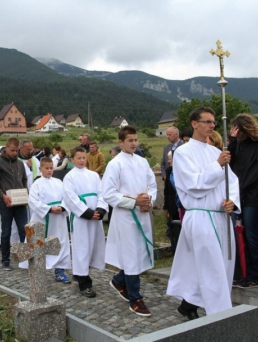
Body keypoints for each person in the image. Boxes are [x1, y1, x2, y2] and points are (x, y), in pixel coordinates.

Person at [166, 107, 240, 319]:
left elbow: (232, 181)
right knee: (212, 268)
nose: (211, 126)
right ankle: (221, 316)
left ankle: (189, 305)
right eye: (206, 121)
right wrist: (217, 166)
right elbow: (194, 185)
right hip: (201, 216)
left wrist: (231, 201)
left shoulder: (216, 152)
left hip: (221, 216)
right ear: (194, 124)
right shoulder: (182, 153)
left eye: (213, 122)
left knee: (223, 265)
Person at [103, 125, 157, 316]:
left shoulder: (142, 162)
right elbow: (108, 194)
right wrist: (134, 202)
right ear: (121, 142)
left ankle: (119, 280)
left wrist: (148, 201)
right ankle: (135, 298)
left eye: (136, 140)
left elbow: (152, 185)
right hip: (126, 217)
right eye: (130, 141)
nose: (134, 144)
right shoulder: (115, 164)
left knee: (139, 253)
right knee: (131, 255)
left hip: (142, 214)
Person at [228, 114, 258, 288]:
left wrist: (239, 189)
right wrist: (232, 139)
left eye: (235, 128)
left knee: (251, 234)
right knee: (238, 236)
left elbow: (257, 173)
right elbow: (229, 162)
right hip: (239, 196)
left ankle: (255, 274)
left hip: (253, 197)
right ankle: (242, 272)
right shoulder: (237, 145)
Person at [63, 146, 108, 298]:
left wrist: (101, 210)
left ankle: (81, 271)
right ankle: (84, 283)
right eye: (79, 158)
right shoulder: (69, 177)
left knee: (94, 246)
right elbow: (70, 198)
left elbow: (102, 193)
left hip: (95, 217)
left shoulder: (94, 175)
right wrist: (87, 212)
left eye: (84, 157)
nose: (82, 160)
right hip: (82, 219)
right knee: (82, 248)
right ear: (72, 159)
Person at [21, 157, 72, 283]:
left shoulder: (59, 182)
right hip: (42, 218)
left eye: (51, 168)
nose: (49, 171)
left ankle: (59, 271)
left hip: (58, 219)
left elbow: (67, 197)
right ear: (40, 169)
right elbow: (33, 201)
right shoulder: (36, 184)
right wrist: (48, 209)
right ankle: (37, 270)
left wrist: (62, 207)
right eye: (46, 168)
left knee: (60, 242)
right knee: (38, 242)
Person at [0, 137, 28, 270]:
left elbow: (24, 180)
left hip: (21, 203)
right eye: (12, 150)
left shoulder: (20, 163)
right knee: (6, 231)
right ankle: (5, 260)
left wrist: (25, 193)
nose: (14, 153)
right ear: (6, 148)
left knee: (25, 230)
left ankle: (26, 259)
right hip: (6, 202)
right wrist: (3, 195)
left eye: (16, 151)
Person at [163, 150, 180, 254]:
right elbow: (166, 190)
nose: (169, 161)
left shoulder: (182, 170)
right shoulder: (169, 170)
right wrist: (166, 206)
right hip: (171, 204)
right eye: (168, 159)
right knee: (173, 230)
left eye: (171, 159)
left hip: (180, 205)